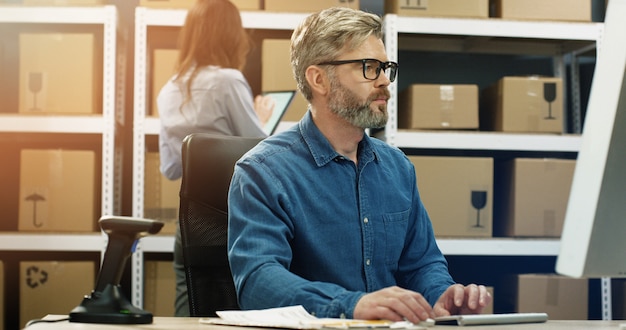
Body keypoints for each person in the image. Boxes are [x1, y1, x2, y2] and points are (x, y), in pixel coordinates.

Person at [227, 6, 491, 323]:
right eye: (368, 67)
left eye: (385, 68)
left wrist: (441, 295)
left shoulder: (397, 168)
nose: (384, 82)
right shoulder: (263, 171)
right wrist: (351, 305)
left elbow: (421, 264)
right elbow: (258, 281)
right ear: (319, 79)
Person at [157, 0, 274, 317]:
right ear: (231, 36)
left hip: (190, 220)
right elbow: (264, 155)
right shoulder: (229, 80)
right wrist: (261, 118)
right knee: (242, 304)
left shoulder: (168, 90)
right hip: (239, 216)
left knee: (190, 301)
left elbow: (170, 168)